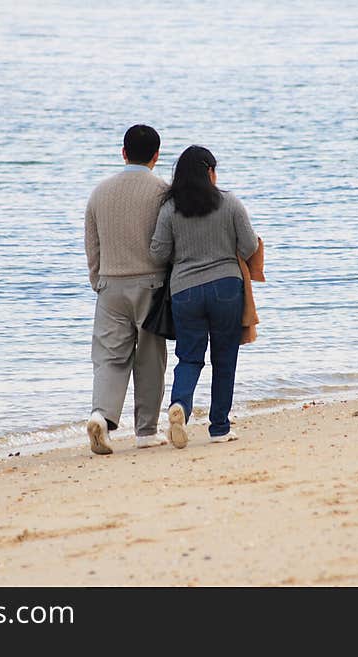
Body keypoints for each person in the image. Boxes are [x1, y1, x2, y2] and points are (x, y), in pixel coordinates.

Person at [149, 145, 259, 448]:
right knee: (224, 359)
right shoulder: (230, 203)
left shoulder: (170, 209)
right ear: (210, 172)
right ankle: (219, 427)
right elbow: (249, 246)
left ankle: (180, 406)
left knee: (189, 357)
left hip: (184, 290)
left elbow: (158, 252)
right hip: (226, 287)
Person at [84, 124, 170, 455]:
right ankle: (146, 430)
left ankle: (101, 417)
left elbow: (92, 244)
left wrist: (99, 281)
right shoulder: (163, 190)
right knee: (150, 358)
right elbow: (169, 241)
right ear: (156, 156)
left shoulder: (100, 192)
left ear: (123, 153)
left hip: (110, 285)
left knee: (109, 358)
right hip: (151, 283)